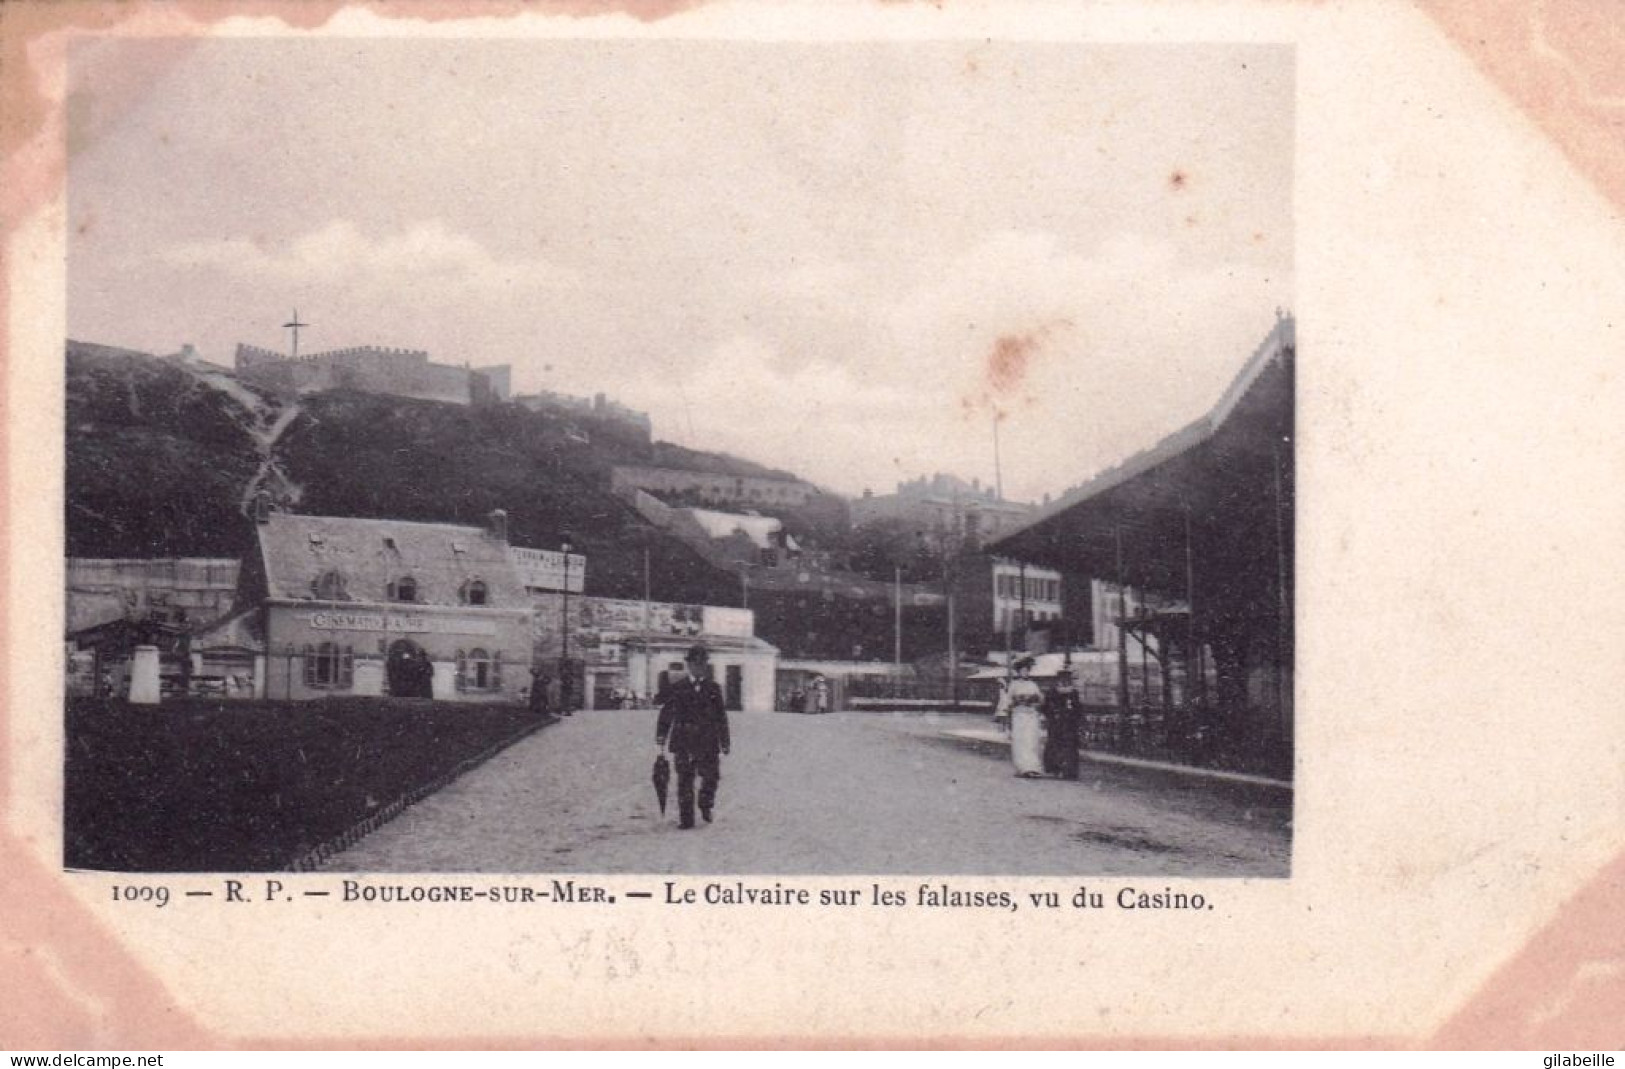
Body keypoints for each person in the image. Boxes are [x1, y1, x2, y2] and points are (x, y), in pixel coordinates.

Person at [655, 644, 731, 829]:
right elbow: (667, 713)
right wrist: (661, 735)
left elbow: (721, 716)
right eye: (695, 664)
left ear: (705, 666)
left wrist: (725, 741)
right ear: (689, 665)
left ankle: (705, 804)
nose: (698, 667)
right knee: (685, 780)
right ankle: (686, 819)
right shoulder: (678, 688)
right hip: (683, 740)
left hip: (708, 740)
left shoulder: (714, 688)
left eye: (702, 664)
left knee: (712, 777)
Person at [1005, 656, 1046, 777]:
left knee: (1032, 740)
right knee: (1020, 741)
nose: (1025, 672)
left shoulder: (1033, 684)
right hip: (1019, 715)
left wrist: (1034, 701)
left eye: (1027, 670)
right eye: (1022, 670)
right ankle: (1022, 767)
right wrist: (1018, 701)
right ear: (1018, 671)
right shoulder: (1014, 685)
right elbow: (1008, 701)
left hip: (1031, 716)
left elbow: (1040, 699)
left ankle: (1033, 767)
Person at [1042, 667, 1084, 780]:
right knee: (1056, 745)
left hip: (1070, 723)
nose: (1065, 681)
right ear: (1058, 680)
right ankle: (1056, 768)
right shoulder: (1052, 692)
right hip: (1056, 723)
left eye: (1067, 679)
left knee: (1070, 747)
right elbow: (1045, 707)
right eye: (1062, 679)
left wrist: (1077, 718)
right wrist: (1052, 715)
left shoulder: (1073, 692)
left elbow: (1078, 707)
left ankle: (1070, 771)